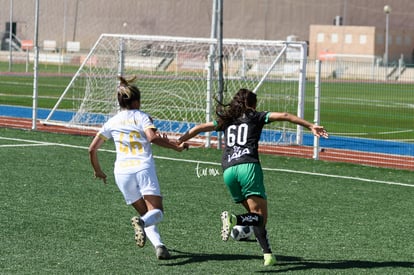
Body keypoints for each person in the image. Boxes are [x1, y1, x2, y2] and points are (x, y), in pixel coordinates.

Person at [177, 88, 328, 266]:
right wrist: (310, 126)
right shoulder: (255, 116)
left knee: (254, 215)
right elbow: (285, 115)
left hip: (228, 171)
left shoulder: (226, 120)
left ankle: (268, 255)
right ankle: (235, 219)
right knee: (260, 217)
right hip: (248, 166)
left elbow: (199, 128)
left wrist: (179, 140)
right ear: (252, 104)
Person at [88, 76, 188, 260]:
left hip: (122, 173)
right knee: (156, 212)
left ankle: (159, 246)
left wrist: (98, 170)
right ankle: (141, 223)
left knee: (145, 213)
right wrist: (176, 147)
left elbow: (92, 149)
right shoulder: (142, 117)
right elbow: (152, 138)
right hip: (142, 167)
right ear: (136, 101)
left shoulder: (112, 122)